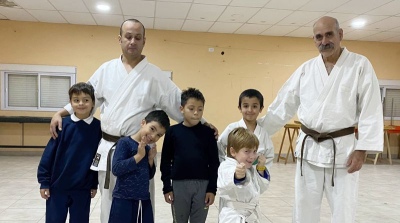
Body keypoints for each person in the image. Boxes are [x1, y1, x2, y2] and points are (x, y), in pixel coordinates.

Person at [50, 19, 183, 223]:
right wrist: (61, 112)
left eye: (137, 37)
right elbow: (86, 99)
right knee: (109, 202)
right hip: (110, 147)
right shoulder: (106, 70)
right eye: (128, 36)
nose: (132, 41)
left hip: (138, 148)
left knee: (139, 200)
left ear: (144, 41)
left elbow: (179, 104)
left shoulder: (156, 76)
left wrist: (203, 122)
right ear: (119, 39)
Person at [260, 16, 383, 223]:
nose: (324, 41)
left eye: (329, 34)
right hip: (309, 152)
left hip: (343, 153)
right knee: (303, 210)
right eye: (319, 37)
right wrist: (255, 132)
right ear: (314, 39)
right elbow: (283, 105)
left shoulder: (359, 65)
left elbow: (370, 109)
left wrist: (362, 150)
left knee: (344, 211)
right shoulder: (307, 70)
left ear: (340, 34)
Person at [38, 82, 101, 223]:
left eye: (86, 100)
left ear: (93, 103)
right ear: (70, 103)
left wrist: (93, 183)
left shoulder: (98, 128)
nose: (81, 104)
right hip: (58, 187)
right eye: (76, 100)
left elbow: (97, 159)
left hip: (82, 189)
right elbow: (48, 155)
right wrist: (44, 182)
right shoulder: (62, 125)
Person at [160, 88, 220, 223]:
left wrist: (212, 189)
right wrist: (167, 187)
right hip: (179, 185)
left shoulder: (208, 133)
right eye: (191, 108)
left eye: (200, 109)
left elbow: (214, 163)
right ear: (182, 108)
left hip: (203, 186)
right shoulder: (172, 132)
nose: (196, 113)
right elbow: (165, 161)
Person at [108, 110, 170, 223]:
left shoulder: (146, 148)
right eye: (152, 129)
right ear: (143, 123)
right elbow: (116, 169)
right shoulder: (124, 142)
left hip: (142, 199)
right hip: (123, 199)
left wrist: (150, 159)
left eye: (159, 135)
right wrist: (139, 156)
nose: (153, 136)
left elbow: (149, 176)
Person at [217, 127, 270, 223]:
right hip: (234, 216)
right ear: (233, 151)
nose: (252, 156)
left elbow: (261, 188)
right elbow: (226, 183)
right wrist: (237, 176)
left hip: (251, 215)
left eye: (254, 151)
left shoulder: (250, 169)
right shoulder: (227, 166)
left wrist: (261, 168)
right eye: (247, 151)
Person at [217, 89, 274, 168]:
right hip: (234, 173)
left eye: (254, 106)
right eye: (246, 106)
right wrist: (225, 164)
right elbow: (219, 145)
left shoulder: (263, 133)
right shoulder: (232, 128)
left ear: (261, 108)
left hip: (256, 176)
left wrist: (261, 168)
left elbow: (269, 156)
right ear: (240, 108)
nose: (250, 110)